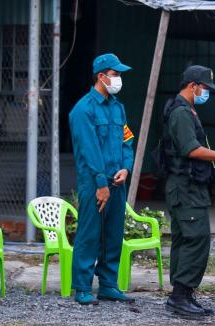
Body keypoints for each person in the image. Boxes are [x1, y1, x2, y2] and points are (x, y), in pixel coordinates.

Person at [161, 65, 215, 318]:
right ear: (193, 86)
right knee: (195, 238)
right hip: (185, 188)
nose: (206, 92)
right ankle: (180, 296)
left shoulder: (185, 110)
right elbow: (191, 149)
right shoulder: (181, 113)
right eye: (205, 88)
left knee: (187, 238)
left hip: (187, 186)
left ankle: (182, 295)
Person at [68, 53, 135, 305]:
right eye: (115, 74)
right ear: (101, 76)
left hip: (118, 180)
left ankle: (108, 285)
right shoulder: (83, 110)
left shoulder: (118, 108)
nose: (118, 78)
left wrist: (126, 168)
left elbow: (127, 140)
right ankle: (83, 287)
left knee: (113, 234)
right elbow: (89, 149)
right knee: (90, 233)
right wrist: (100, 184)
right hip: (95, 182)